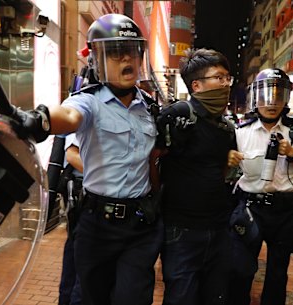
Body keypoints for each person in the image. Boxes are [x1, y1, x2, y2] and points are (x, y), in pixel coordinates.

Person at [13, 13, 163, 305]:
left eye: (131, 51)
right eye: (116, 52)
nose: (126, 60)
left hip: (141, 224)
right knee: (92, 297)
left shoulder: (150, 108)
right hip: (98, 225)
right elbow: (68, 115)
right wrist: (39, 119)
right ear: (98, 59)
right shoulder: (89, 100)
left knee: (133, 297)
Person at [227, 68, 293, 305]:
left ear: (286, 98)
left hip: (285, 210)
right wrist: (227, 159)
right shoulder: (240, 131)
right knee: (241, 268)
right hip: (250, 208)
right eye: (266, 95)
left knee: (278, 273)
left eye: (279, 95)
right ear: (255, 98)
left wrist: (292, 153)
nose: (272, 102)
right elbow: (225, 172)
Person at [155, 48, 236, 305]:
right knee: (181, 297)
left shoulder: (225, 126)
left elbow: (222, 170)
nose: (225, 84)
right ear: (197, 85)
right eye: (219, 77)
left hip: (218, 228)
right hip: (181, 229)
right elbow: (151, 159)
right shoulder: (178, 115)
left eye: (227, 78)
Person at [58, 134, 83, 305]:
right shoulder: (86, 110)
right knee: (78, 252)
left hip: (83, 191)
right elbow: (72, 155)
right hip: (81, 192)